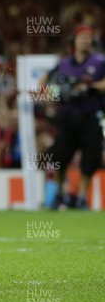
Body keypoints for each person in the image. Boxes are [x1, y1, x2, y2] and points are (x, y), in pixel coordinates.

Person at [42, 25, 105, 210]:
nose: (85, 40)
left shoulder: (99, 62)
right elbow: (45, 82)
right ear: (74, 41)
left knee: (90, 159)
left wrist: (90, 86)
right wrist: (53, 94)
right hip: (67, 117)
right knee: (59, 156)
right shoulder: (63, 64)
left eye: (88, 37)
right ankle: (60, 193)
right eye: (82, 37)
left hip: (90, 116)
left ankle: (81, 198)